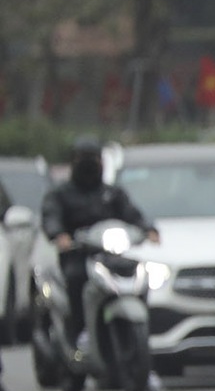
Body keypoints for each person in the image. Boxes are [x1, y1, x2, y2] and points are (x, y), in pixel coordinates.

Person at [41, 137, 158, 348]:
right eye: (83, 158)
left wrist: (148, 229)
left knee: (141, 278)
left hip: (111, 257)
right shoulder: (60, 194)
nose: (89, 163)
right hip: (77, 257)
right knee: (76, 279)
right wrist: (60, 235)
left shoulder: (112, 193)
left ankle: (143, 336)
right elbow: (51, 217)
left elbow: (132, 214)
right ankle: (80, 332)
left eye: (93, 158)